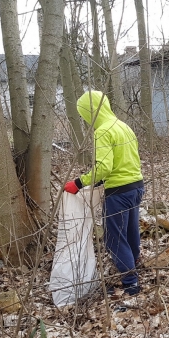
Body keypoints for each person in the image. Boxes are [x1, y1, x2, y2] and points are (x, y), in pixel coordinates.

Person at [64, 91, 145, 295]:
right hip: (136, 186)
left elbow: (104, 168)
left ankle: (131, 283)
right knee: (130, 232)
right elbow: (125, 160)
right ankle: (134, 264)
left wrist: (78, 183)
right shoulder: (123, 126)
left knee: (114, 239)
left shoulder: (103, 131)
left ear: (89, 112)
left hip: (118, 191)